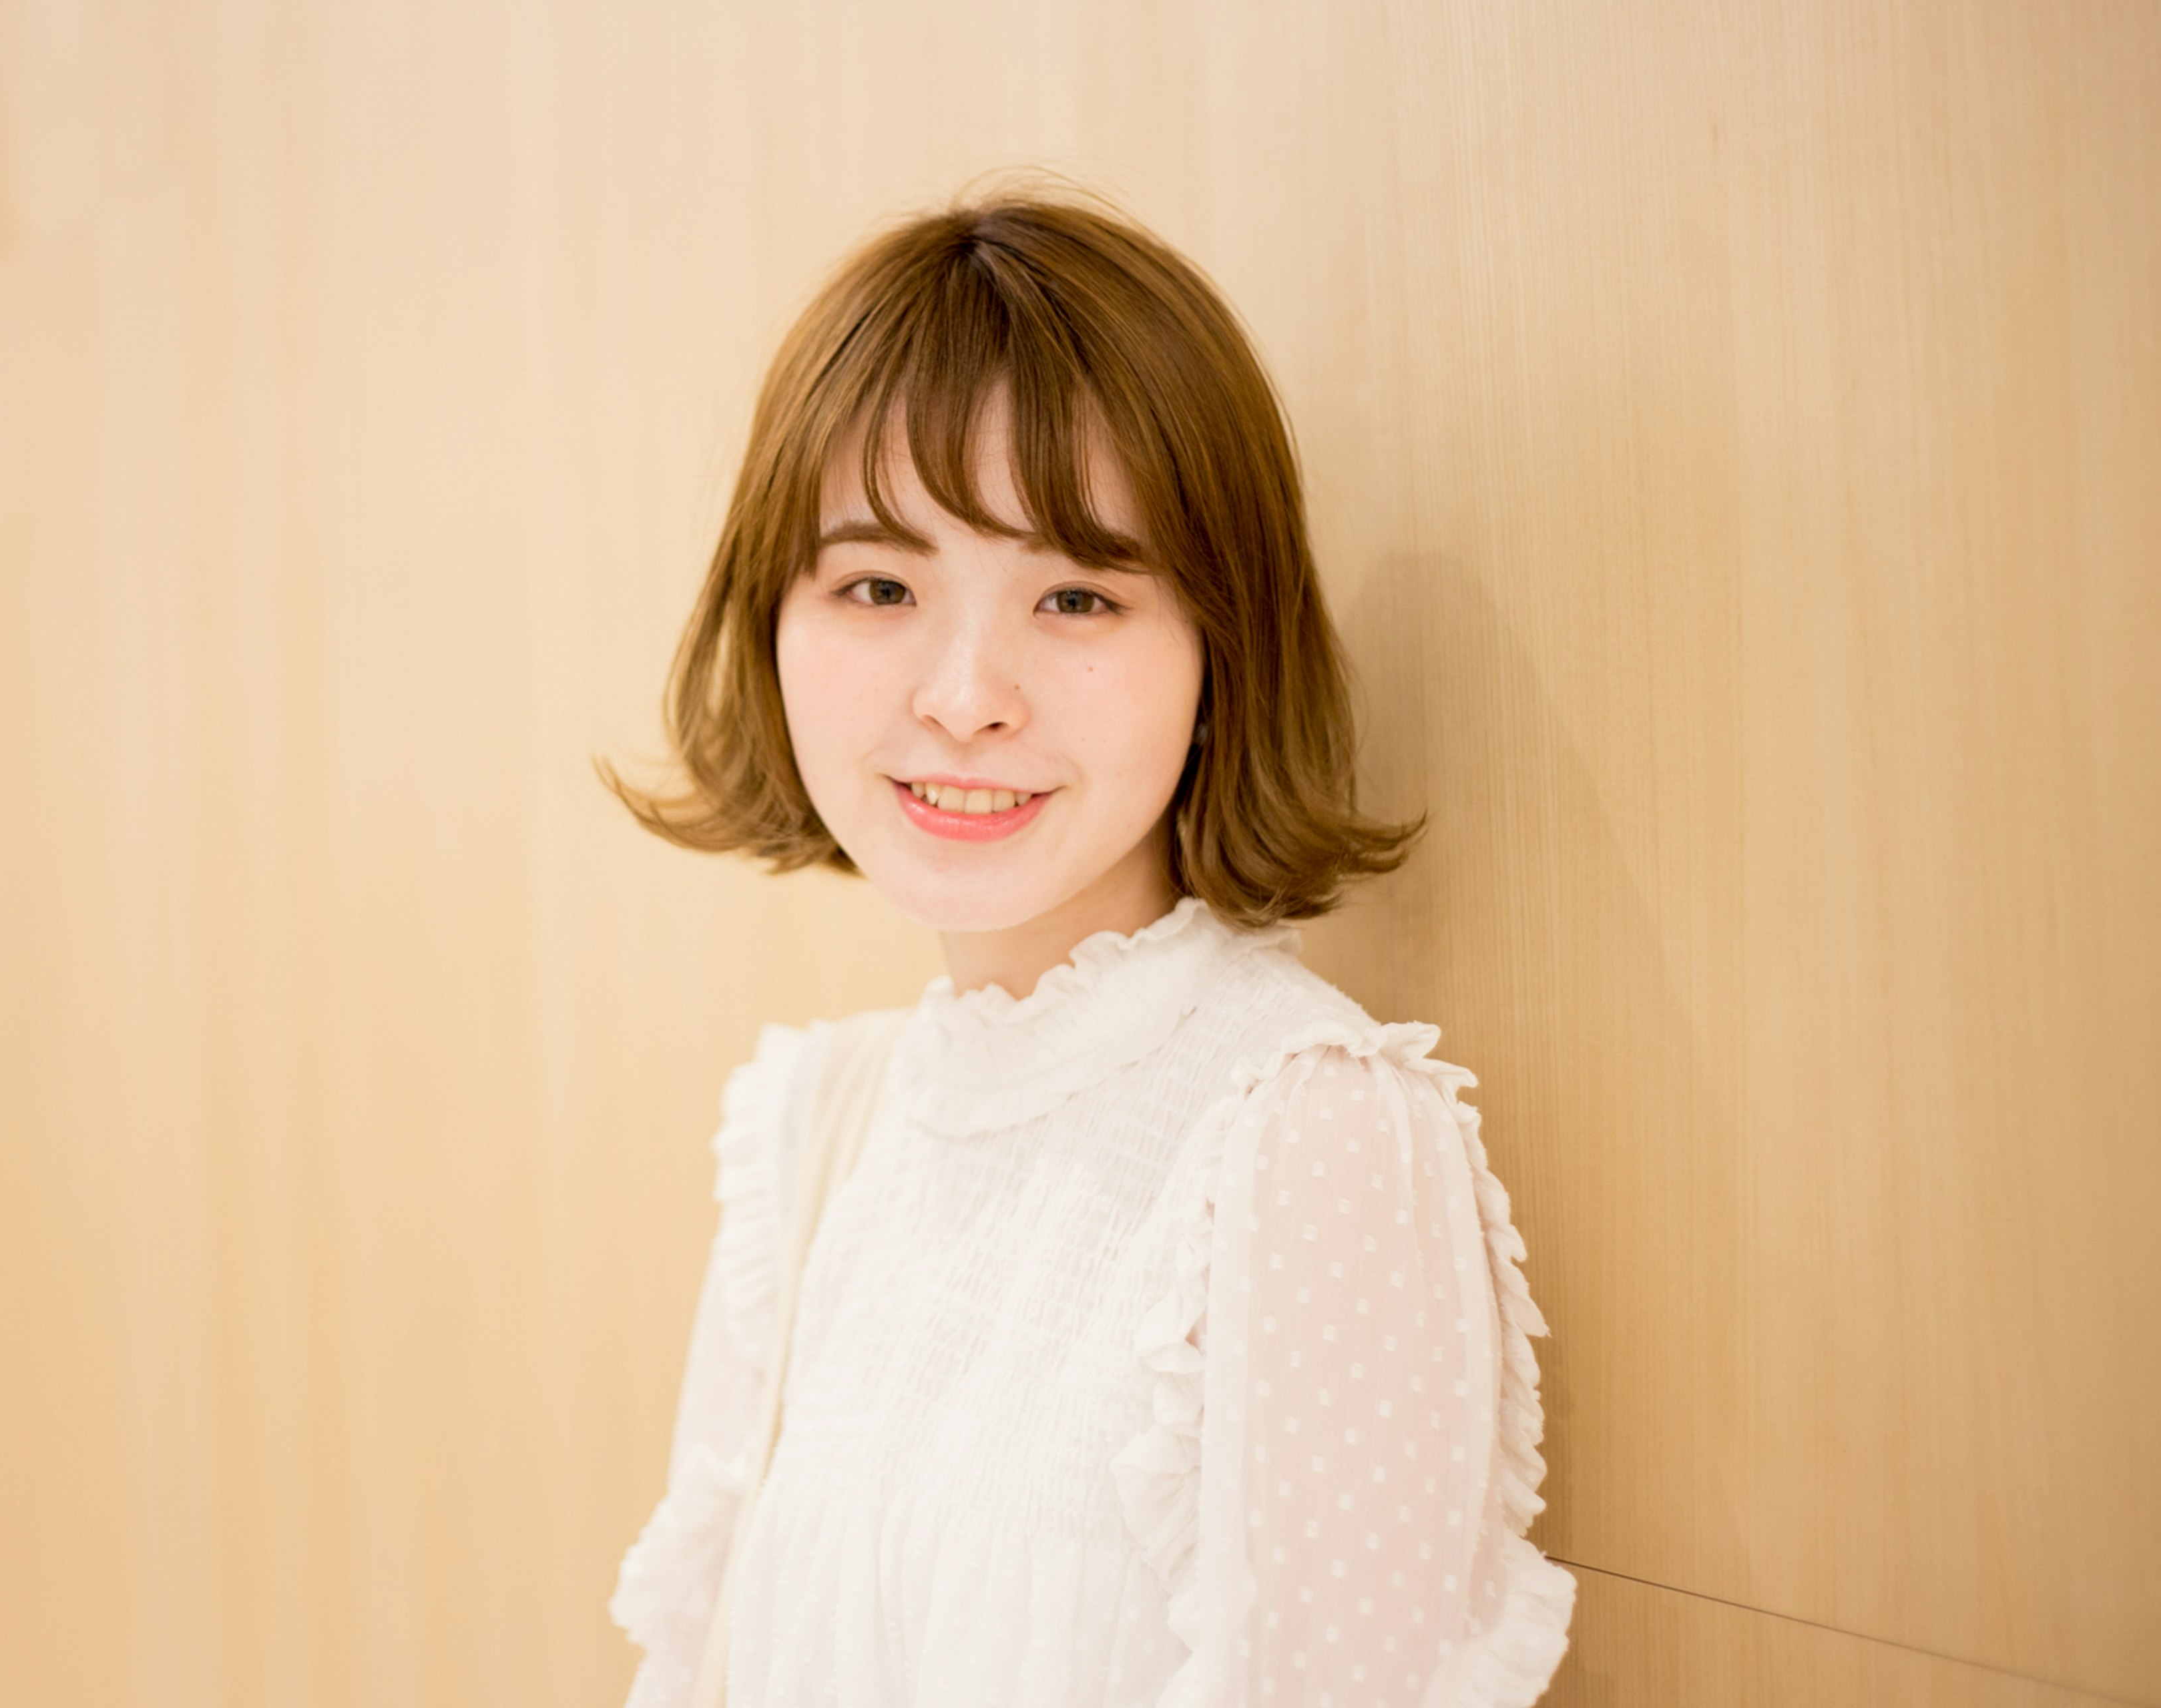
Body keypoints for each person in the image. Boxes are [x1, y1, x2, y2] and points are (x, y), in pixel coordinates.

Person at [600, 187, 1574, 1707]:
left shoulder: (1306, 1139)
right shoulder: (820, 1133)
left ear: (1219, 644)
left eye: (1074, 593)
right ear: (770, 621)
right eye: (879, 587)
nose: (967, 694)